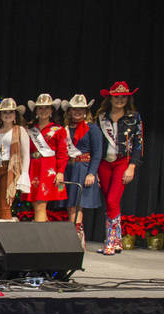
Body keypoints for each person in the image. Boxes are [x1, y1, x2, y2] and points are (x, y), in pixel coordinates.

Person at [96, 81, 144, 255]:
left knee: (112, 201)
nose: (120, 100)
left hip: (122, 162)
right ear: (110, 98)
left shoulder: (134, 117)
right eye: (116, 97)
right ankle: (117, 241)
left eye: (123, 96)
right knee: (109, 201)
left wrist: (131, 167)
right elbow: (95, 144)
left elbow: (138, 145)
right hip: (103, 163)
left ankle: (110, 240)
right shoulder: (101, 117)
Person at [61, 94, 103, 250]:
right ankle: (74, 235)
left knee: (77, 205)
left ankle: (77, 237)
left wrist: (92, 173)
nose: (77, 112)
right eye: (74, 109)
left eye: (81, 109)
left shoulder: (92, 128)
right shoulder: (64, 129)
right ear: (70, 111)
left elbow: (98, 153)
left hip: (83, 167)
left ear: (86, 111)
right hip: (68, 168)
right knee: (70, 205)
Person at [24, 94, 68, 222]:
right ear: (36, 111)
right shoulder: (30, 129)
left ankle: (39, 237)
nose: (43, 111)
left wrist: (60, 172)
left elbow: (62, 153)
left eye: (46, 108)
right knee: (35, 204)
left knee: (41, 204)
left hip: (48, 168)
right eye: (40, 108)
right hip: (32, 167)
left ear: (51, 111)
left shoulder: (58, 130)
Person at [0, 98, 30, 222]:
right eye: (4, 112)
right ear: (0, 115)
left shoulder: (19, 130)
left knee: (4, 200)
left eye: (10, 112)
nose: (7, 115)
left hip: (10, 168)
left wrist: (24, 174)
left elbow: (26, 154)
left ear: (15, 115)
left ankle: (6, 230)